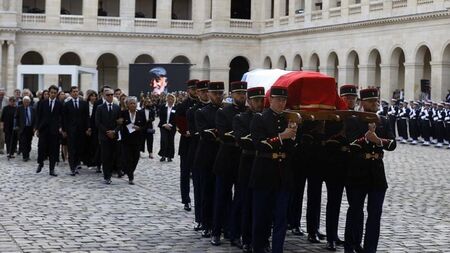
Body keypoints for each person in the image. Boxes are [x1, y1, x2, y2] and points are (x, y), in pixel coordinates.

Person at [344, 88, 396, 253]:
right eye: (371, 101)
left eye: (376, 100)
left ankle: (370, 249)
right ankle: (351, 245)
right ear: (363, 102)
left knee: (375, 215)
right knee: (355, 211)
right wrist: (366, 138)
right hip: (358, 171)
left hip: (377, 173)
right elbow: (350, 145)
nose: (375, 103)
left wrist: (378, 140)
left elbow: (392, 144)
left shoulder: (384, 120)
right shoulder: (353, 120)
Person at [250, 86, 297, 253]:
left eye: (284, 100)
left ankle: (278, 248)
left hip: (283, 173)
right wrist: (282, 136)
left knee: (281, 217)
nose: (282, 103)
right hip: (264, 171)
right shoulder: (260, 118)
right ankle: (259, 246)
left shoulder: (288, 120)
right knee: (261, 216)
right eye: (278, 99)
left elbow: (292, 149)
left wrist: (293, 136)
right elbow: (260, 144)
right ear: (270, 100)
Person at [210, 81, 248, 247]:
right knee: (221, 198)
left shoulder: (248, 113)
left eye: (244, 93)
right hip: (226, 160)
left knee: (239, 200)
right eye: (239, 93)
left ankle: (235, 234)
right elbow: (224, 135)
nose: (242, 96)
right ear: (232, 94)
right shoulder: (223, 112)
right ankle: (216, 232)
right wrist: (241, 137)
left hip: (242, 161)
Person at [232, 86, 265, 252]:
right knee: (246, 203)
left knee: (264, 206)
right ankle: (246, 238)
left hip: (264, 165)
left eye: (261, 100)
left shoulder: (268, 118)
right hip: (247, 162)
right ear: (249, 101)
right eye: (256, 100)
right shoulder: (241, 118)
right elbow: (242, 140)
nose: (259, 103)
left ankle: (262, 240)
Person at [194, 81, 224, 237]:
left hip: (224, 156)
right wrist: (220, 133)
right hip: (207, 156)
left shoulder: (227, 110)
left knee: (223, 194)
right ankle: (206, 223)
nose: (218, 96)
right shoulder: (202, 112)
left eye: (220, 93)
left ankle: (222, 223)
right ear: (209, 94)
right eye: (215, 93)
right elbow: (205, 133)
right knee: (208, 192)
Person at [187, 80, 210, 231]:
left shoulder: (218, 109)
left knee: (210, 190)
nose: (204, 94)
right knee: (199, 188)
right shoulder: (193, 111)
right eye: (201, 91)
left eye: (206, 91)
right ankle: (200, 218)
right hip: (198, 152)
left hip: (213, 153)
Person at [175, 79, 199, 211]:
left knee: (197, 174)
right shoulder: (183, 105)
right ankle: (186, 199)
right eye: (193, 89)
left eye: (197, 89)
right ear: (189, 90)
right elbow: (179, 123)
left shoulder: (202, 105)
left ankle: (198, 198)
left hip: (198, 143)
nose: (196, 91)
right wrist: (185, 131)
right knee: (185, 173)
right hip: (186, 143)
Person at [35, 85, 63, 177]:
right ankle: (40, 163)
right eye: (51, 93)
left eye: (55, 93)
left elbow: (61, 117)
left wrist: (60, 127)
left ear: (57, 94)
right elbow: (38, 116)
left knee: (53, 150)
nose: (53, 94)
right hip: (43, 129)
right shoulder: (42, 103)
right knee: (41, 148)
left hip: (54, 131)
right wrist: (37, 128)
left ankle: (52, 169)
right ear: (49, 92)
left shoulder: (59, 104)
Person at [95, 88, 121, 184]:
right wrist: (107, 132)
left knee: (112, 156)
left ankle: (110, 172)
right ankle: (107, 176)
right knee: (105, 156)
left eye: (111, 95)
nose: (110, 96)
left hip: (114, 136)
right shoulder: (100, 108)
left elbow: (119, 122)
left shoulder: (117, 107)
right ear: (104, 96)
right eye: (108, 95)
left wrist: (114, 131)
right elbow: (98, 122)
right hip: (104, 136)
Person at [63, 86, 89, 176]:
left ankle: (77, 163)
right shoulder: (67, 104)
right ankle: (72, 167)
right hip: (71, 131)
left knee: (79, 148)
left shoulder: (84, 104)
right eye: (73, 91)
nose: (75, 93)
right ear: (70, 93)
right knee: (72, 149)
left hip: (81, 130)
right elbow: (64, 119)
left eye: (77, 91)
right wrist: (64, 130)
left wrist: (88, 128)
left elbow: (86, 117)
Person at [120, 97, 145, 185]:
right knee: (128, 158)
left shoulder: (141, 113)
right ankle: (131, 176)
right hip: (126, 140)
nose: (133, 105)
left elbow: (145, 126)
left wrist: (140, 128)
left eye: (134, 103)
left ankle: (130, 171)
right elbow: (120, 123)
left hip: (137, 140)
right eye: (131, 103)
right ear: (127, 105)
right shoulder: (123, 113)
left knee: (136, 158)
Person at [158, 93, 177, 162]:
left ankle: (169, 156)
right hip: (163, 126)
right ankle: (163, 155)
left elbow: (176, 118)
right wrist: (165, 124)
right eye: (169, 98)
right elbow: (160, 116)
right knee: (164, 140)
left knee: (170, 141)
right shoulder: (163, 106)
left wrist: (170, 125)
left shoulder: (176, 107)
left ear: (174, 100)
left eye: (172, 99)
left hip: (172, 127)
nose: (170, 100)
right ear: (167, 99)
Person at [85, 90, 101, 172]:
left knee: (94, 145)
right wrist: (88, 127)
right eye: (92, 96)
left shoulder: (97, 104)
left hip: (95, 127)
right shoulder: (86, 104)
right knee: (88, 145)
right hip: (87, 126)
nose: (93, 97)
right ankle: (88, 161)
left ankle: (95, 161)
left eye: (95, 96)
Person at [15, 96, 35, 162]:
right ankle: (24, 156)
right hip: (22, 128)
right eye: (25, 102)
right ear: (23, 102)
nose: (26, 103)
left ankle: (27, 154)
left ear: (29, 102)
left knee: (29, 142)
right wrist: (17, 125)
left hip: (30, 128)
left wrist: (34, 127)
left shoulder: (32, 109)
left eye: (27, 102)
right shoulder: (19, 108)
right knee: (23, 142)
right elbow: (16, 117)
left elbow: (35, 119)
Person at [0, 88, 9, 155]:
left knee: (2, 135)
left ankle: (1, 148)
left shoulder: (7, 99)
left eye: (2, 93)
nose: (1, 95)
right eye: (0, 93)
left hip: (2, 120)